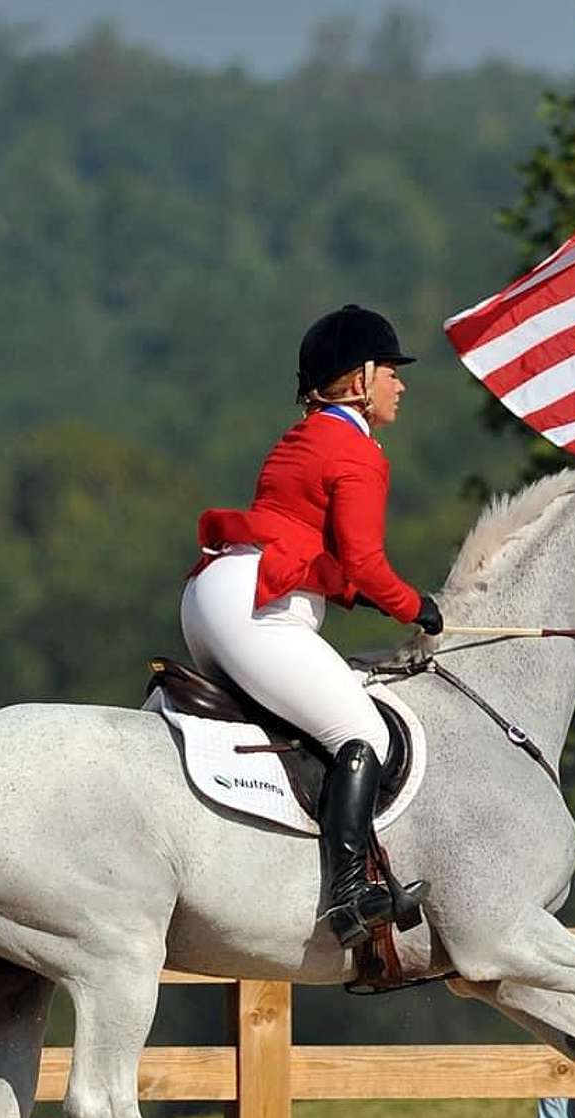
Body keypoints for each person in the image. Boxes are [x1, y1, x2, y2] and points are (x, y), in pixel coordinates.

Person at [180, 304, 443, 949]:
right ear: (359, 379)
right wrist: (421, 610)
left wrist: (375, 595)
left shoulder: (303, 437)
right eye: (392, 373)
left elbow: (324, 557)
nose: (401, 386)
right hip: (256, 608)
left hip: (214, 596)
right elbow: (364, 562)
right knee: (362, 730)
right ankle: (349, 896)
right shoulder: (355, 452)